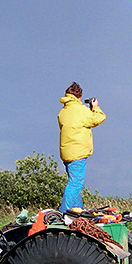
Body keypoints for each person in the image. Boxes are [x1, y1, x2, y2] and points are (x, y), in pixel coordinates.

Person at [57, 82, 106, 213]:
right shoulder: (81, 110)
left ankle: (78, 211)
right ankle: (64, 212)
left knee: (74, 181)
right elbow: (98, 118)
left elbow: (77, 122)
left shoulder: (63, 112)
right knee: (76, 183)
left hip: (66, 152)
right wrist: (95, 107)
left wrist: (87, 110)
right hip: (77, 152)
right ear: (79, 97)